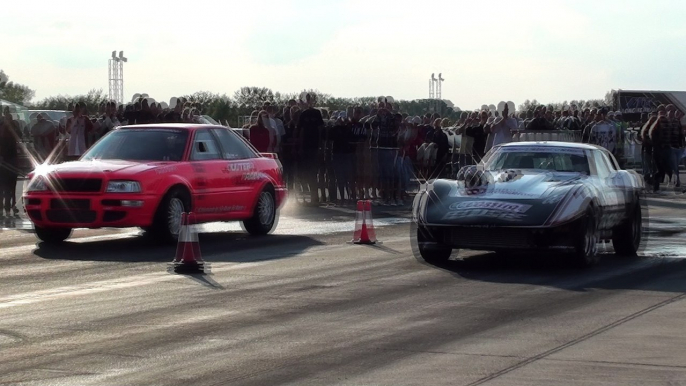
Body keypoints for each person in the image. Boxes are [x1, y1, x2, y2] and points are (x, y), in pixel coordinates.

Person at [0, 106, 21, 217]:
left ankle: (11, 205)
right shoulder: (2, 126)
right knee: (5, 185)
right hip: (7, 158)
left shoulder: (12, 126)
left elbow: (19, 136)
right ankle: (7, 206)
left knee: (10, 184)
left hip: (10, 157)